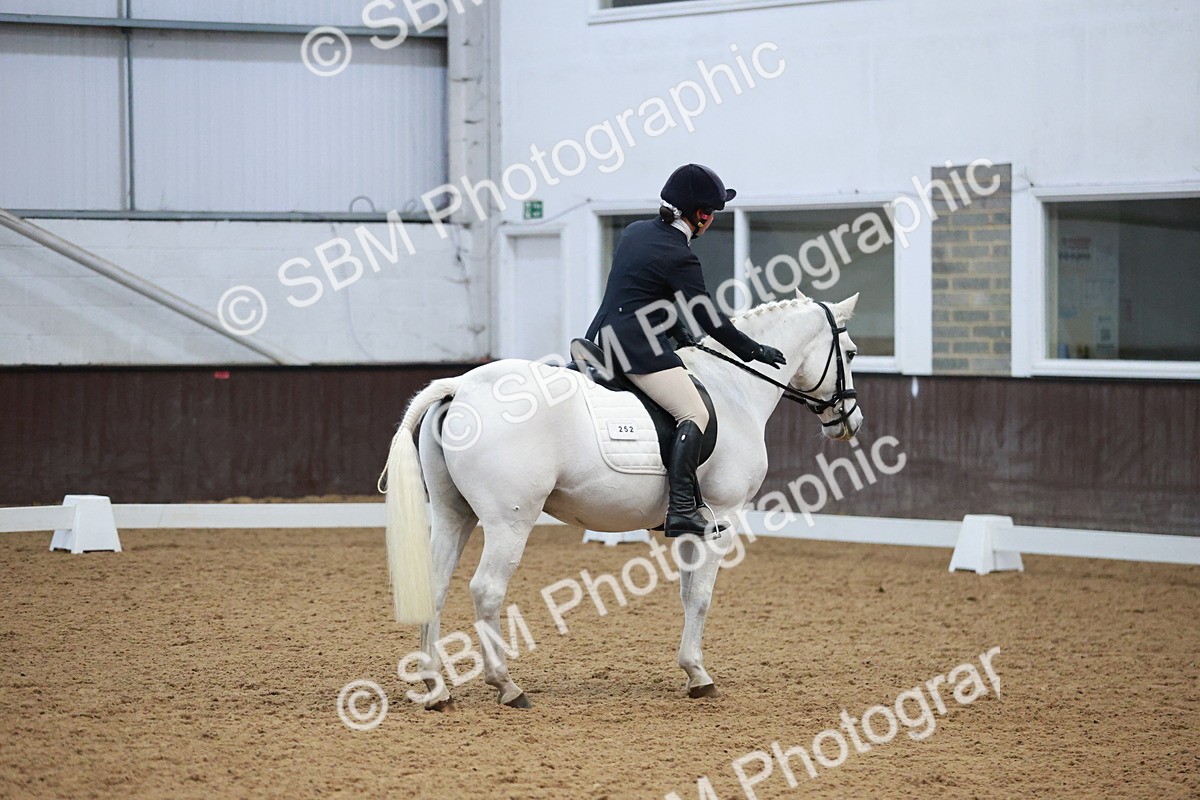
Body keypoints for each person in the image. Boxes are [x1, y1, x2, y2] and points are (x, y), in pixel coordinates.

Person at [584, 164, 786, 537]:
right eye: (712, 213)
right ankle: (680, 508)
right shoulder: (680, 255)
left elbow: (639, 291)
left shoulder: (635, 232)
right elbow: (709, 318)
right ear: (701, 215)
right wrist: (753, 349)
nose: (712, 219)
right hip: (636, 349)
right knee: (694, 411)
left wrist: (676, 328)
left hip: (603, 337)